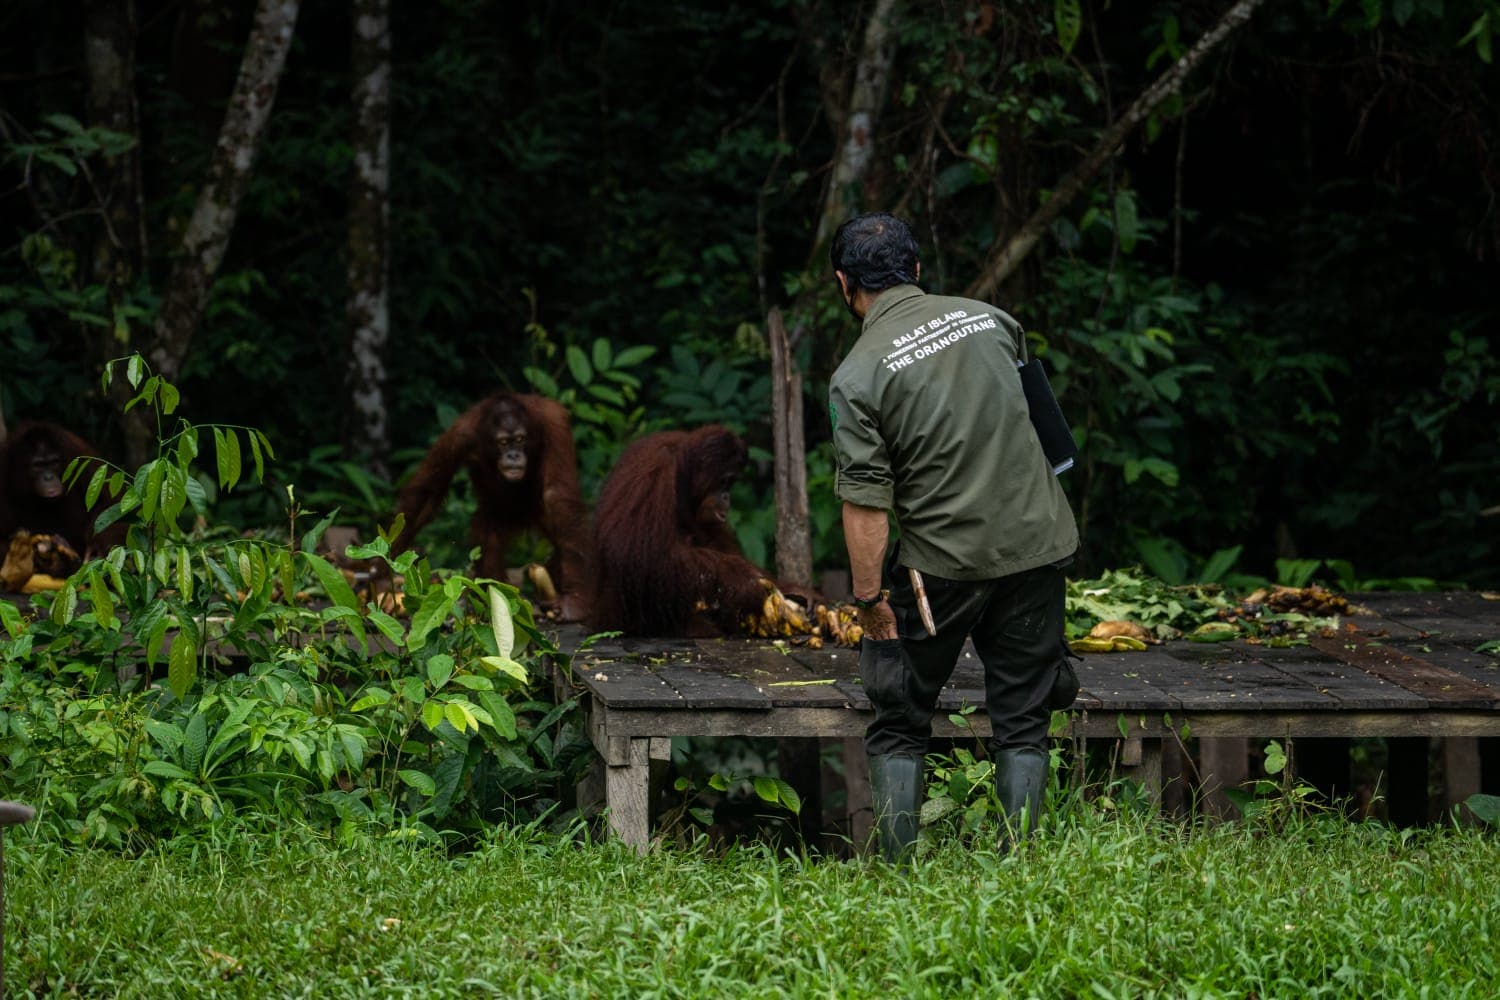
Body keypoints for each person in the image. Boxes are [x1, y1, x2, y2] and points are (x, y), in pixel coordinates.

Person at [827, 212, 1080, 862]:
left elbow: (865, 506)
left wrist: (868, 602)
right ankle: (1019, 867)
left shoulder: (857, 377)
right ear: (915, 270)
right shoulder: (992, 320)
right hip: (1038, 548)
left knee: (900, 715)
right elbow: (1056, 446)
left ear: (843, 285)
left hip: (942, 568)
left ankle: (897, 877)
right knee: (1026, 715)